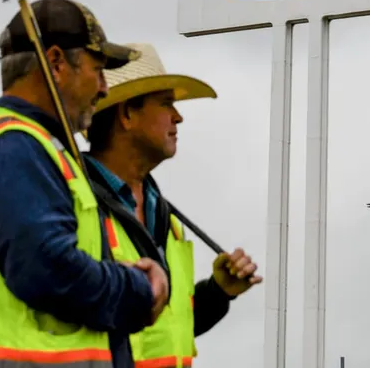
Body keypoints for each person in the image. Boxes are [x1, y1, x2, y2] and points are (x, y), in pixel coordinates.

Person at [0, 0, 168, 368]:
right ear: (56, 63)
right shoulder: (16, 149)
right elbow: (48, 270)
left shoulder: (41, 151)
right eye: (98, 69)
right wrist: (136, 289)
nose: (105, 88)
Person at [83, 43, 262, 366]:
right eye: (166, 103)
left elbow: (167, 327)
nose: (178, 116)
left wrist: (219, 292)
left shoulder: (165, 218)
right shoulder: (69, 204)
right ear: (126, 114)